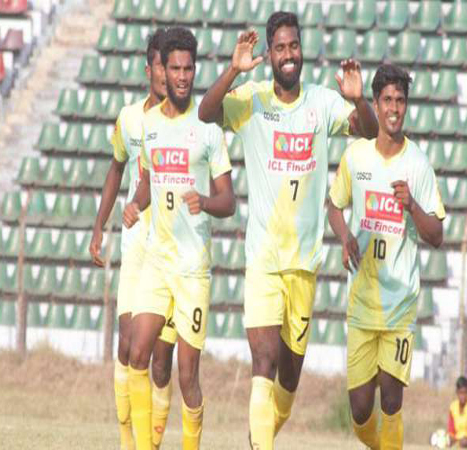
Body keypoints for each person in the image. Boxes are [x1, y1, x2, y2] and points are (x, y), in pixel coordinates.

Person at [198, 11, 378, 449]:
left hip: (303, 265)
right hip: (263, 259)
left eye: (293, 45)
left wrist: (359, 101)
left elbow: (370, 133)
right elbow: (206, 113)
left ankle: (259, 435)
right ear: (270, 53)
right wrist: (233, 70)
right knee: (263, 360)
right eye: (279, 47)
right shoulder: (253, 99)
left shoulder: (322, 102)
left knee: (289, 380)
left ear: (302, 48)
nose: (288, 54)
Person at [123, 26, 235, 450]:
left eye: (189, 69)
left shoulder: (208, 129)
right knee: (138, 353)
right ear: (163, 72)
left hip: (192, 270)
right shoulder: (149, 125)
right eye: (176, 69)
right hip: (158, 261)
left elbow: (229, 201)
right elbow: (147, 183)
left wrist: (204, 201)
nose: (183, 76)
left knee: (187, 375)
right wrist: (135, 204)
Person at [327, 63, 445, 449]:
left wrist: (412, 206)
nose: (394, 109)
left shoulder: (418, 165)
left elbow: (437, 235)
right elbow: (333, 206)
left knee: (392, 401)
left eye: (401, 101)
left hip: (400, 306)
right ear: (376, 105)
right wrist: (345, 236)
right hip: (362, 303)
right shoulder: (356, 156)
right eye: (388, 100)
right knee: (360, 412)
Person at [88, 28, 176, 450]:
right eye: (160, 65)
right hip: (136, 241)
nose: (166, 74)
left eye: (171, 66)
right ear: (149, 70)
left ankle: (151, 442)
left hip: (172, 247)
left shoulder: (185, 122)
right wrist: (98, 225)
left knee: (160, 362)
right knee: (127, 347)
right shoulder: (129, 119)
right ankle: (130, 441)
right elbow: (116, 168)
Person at [447, 377, 467, 448]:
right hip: (456, 442)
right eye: (461, 393)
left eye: (466, 393)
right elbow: (451, 430)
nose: (463, 396)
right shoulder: (453, 407)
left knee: (464, 442)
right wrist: (451, 439)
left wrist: (462, 441)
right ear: (457, 392)